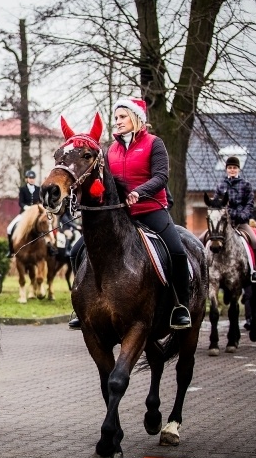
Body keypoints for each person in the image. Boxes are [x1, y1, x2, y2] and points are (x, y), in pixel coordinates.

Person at [69, 97, 191, 330]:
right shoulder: (110, 150)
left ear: (137, 118)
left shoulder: (155, 144)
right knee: (76, 251)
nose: (117, 122)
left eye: (122, 117)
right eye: (115, 118)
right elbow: (100, 182)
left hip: (151, 209)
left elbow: (161, 177)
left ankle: (180, 307)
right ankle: (80, 306)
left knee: (177, 252)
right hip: (120, 216)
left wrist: (139, 192)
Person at [214, 155, 256, 282]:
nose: (232, 170)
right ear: (226, 169)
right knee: (203, 238)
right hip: (224, 223)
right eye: (229, 167)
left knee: (255, 241)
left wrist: (243, 215)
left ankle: (254, 270)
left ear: (238, 169)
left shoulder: (246, 185)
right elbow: (216, 203)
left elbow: (250, 204)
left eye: (234, 168)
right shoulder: (220, 185)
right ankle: (205, 269)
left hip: (240, 222)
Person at [6, 170, 41, 258]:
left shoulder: (38, 189)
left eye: (33, 178)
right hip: (24, 213)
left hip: (36, 214)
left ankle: (50, 249)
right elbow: (20, 202)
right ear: (26, 179)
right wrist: (27, 208)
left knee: (46, 226)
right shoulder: (23, 189)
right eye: (30, 178)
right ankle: (11, 250)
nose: (32, 180)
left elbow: (40, 202)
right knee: (9, 228)